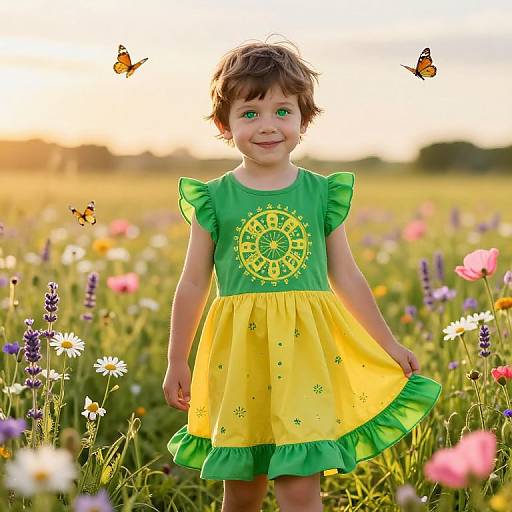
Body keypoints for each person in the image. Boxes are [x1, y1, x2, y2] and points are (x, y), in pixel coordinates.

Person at [162, 36, 442, 512]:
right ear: (224, 125)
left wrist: (389, 344)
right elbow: (192, 283)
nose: (267, 126)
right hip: (238, 353)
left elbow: (347, 276)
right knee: (243, 485)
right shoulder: (213, 199)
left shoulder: (320, 194)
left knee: (299, 484)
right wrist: (177, 359)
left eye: (282, 111)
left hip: (306, 355)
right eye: (249, 113)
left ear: (303, 119)